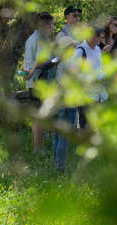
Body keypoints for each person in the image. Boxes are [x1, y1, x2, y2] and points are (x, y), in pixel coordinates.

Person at [23, 12, 55, 156]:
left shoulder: (31, 38)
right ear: (50, 25)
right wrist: (30, 73)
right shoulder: (43, 38)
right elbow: (41, 60)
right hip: (39, 80)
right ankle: (38, 148)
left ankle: (36, 146)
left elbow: (25, 59)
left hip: (31, 81)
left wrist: (25, 72)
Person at [71, 25, 109, 130]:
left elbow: (99, 69)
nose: (100, 37)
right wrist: (89, 80)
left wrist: (106, 76)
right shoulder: (79, 51)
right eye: (98, 35)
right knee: (86, 128)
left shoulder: (97, 49)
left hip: (102, 95)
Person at [52, 36, 78, 173]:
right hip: (67, 103)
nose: (74, 50)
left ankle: (57, 163)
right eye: (73, 47)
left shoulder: (56, 61)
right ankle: (60, 167)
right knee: (64, 138)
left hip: (56, 103)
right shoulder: (68, 63)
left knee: (57, 136)